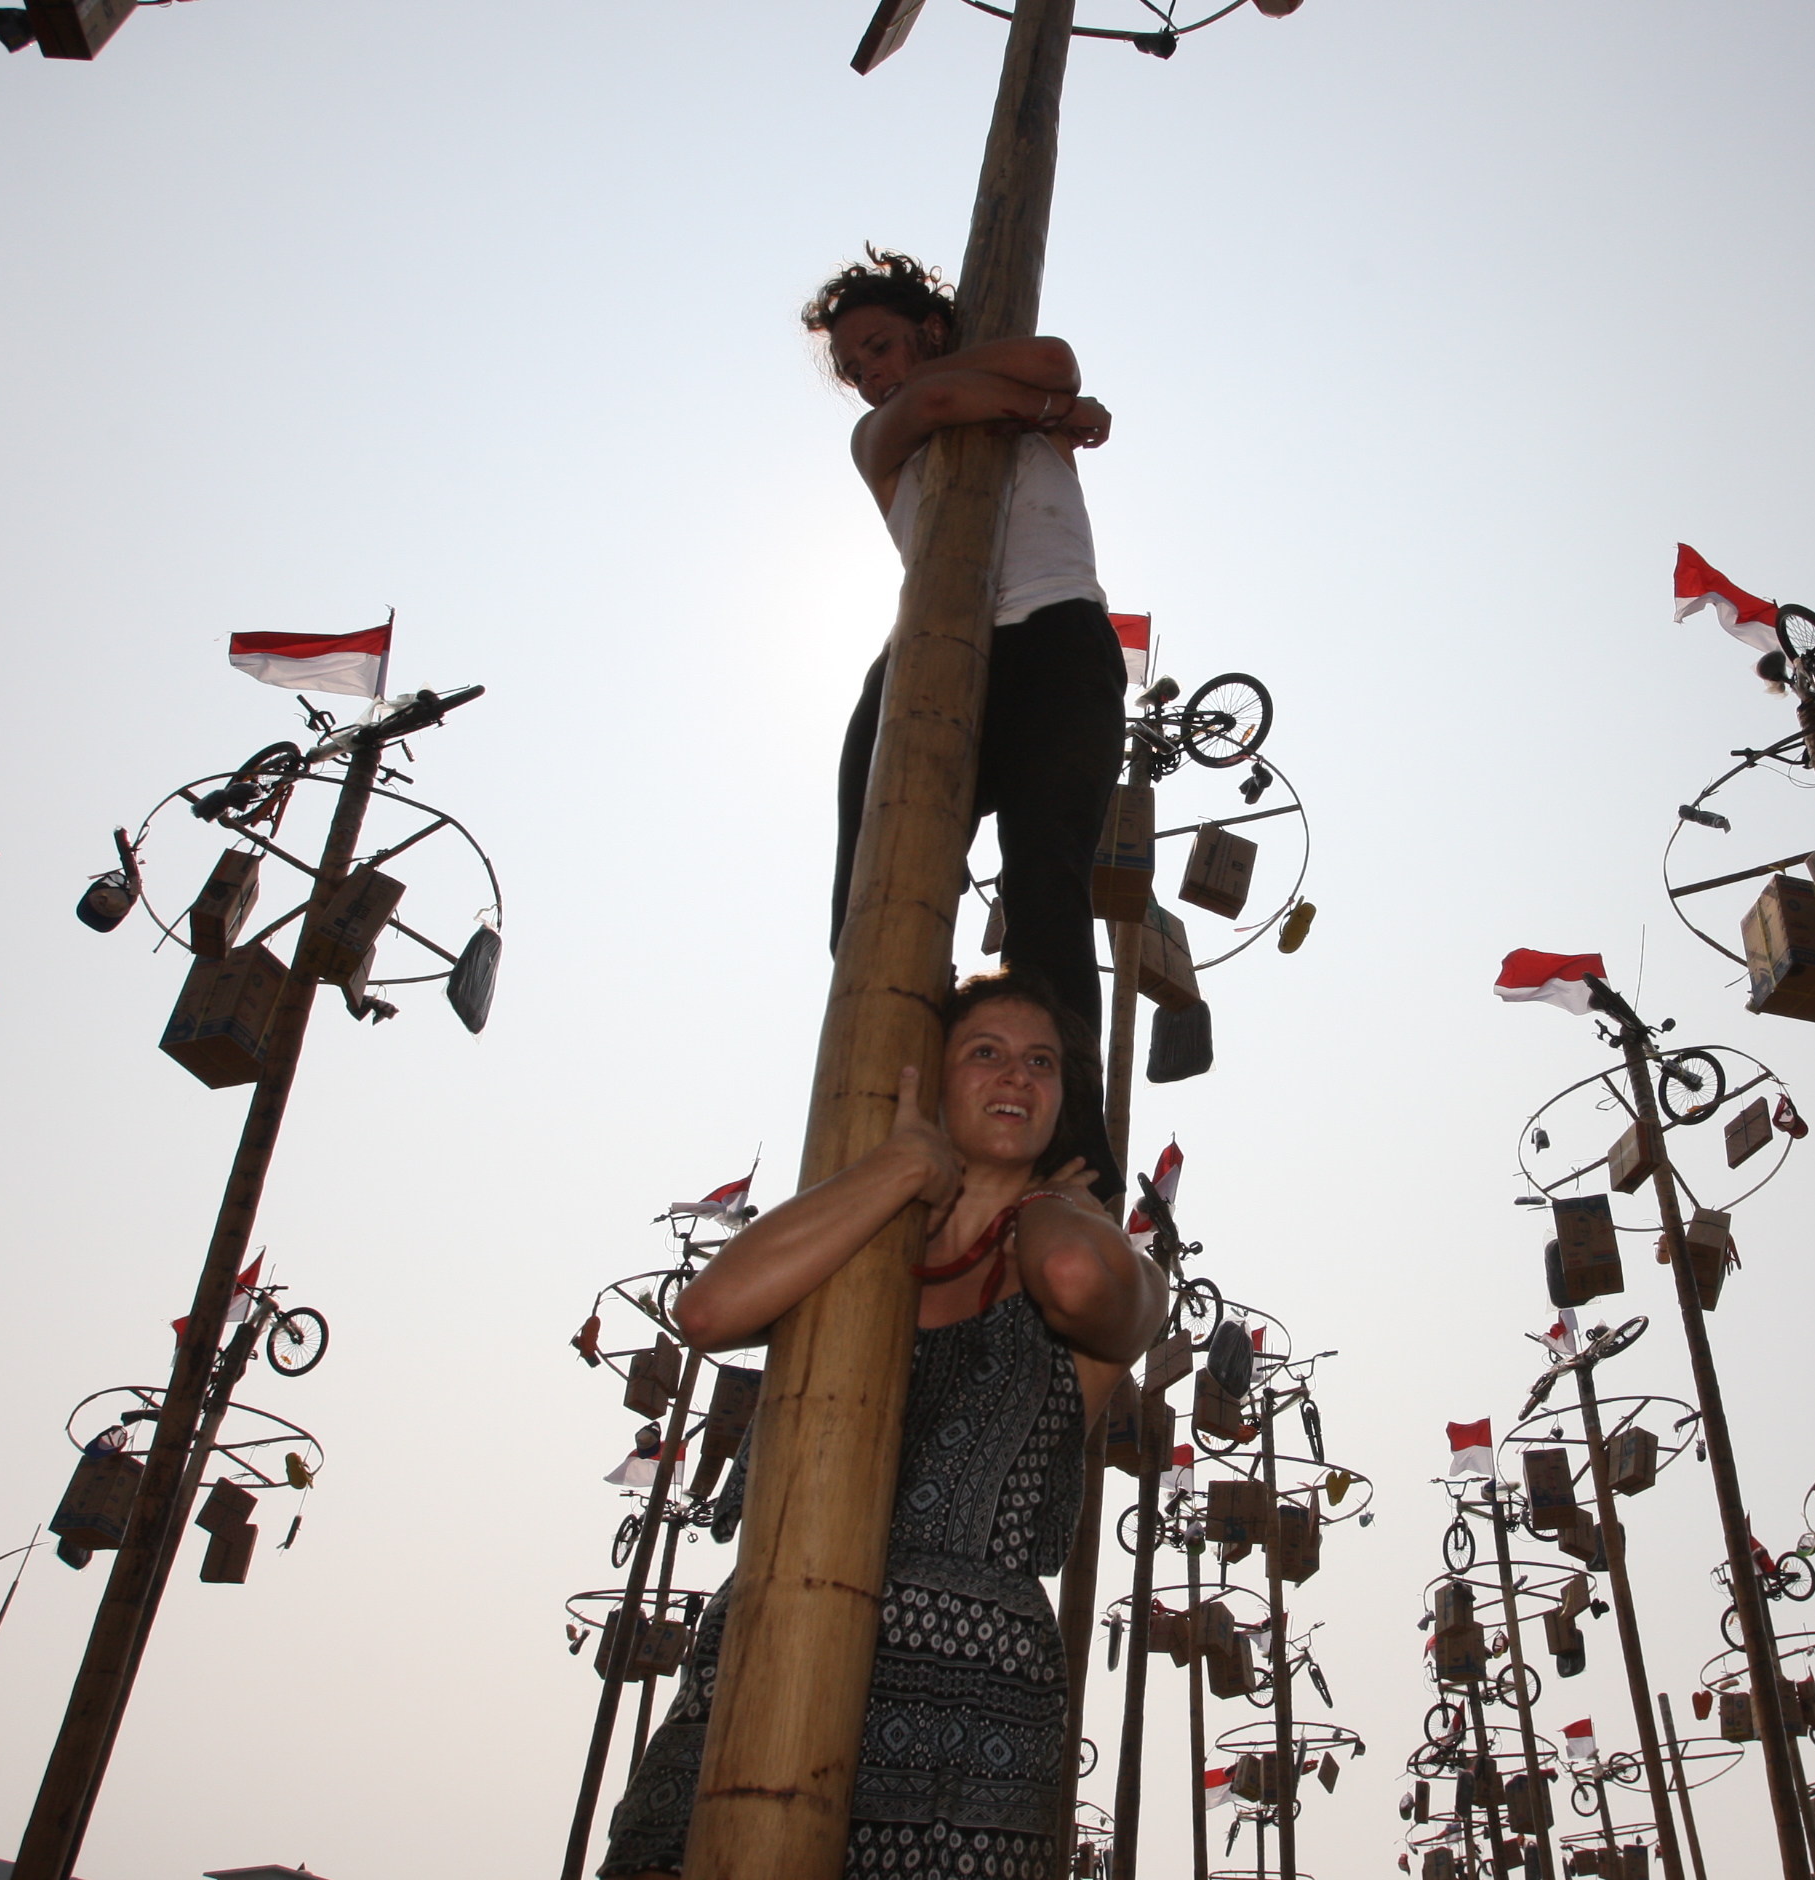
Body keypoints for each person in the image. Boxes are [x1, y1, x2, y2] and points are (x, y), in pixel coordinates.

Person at [599, 971, 1167, 1880]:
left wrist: (1050, 1199)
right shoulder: (859, 1236)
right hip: (768, 1657)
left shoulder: (1080, 1244)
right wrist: (902, 1169)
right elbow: (706, 1313)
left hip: (966, 1706)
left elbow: (1075, 1280)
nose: (1015, 1077)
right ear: (931, 1078)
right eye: (985, 1055)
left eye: (1041, 1064)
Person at [805, 247, 1126, 1198]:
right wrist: (1040, 410)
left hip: (1058, 641)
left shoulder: (1015, 395)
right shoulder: (879, 438)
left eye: (878, 347)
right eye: (855, 368)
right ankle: (903, 1096)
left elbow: (1058, 359)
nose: (870, 376)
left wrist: (1047, 404)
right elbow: (945, 406)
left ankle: (1069, 1147)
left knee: (1045, 885)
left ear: (931, 328)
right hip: (928, 660)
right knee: (867, 894)